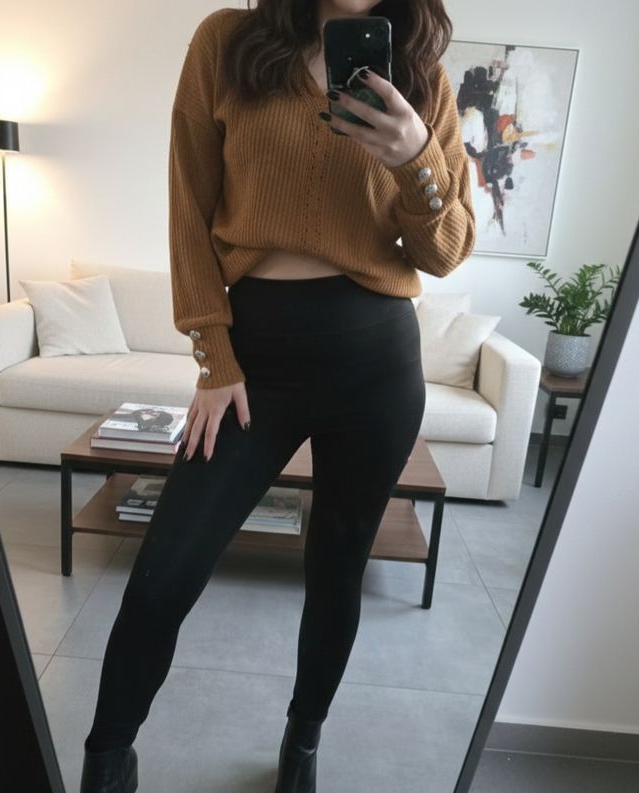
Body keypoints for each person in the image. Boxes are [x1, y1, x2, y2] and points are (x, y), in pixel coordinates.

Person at [80, 1, 474, 791]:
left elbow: (447, 249)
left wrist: (414, 157)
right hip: (251, 361)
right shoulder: (227, 43)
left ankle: (302, 742)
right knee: (162, 574)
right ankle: (106, 760)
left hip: (376, 364)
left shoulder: (421, 78)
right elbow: (188, 211)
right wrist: (213, 356)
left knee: (337, 568)